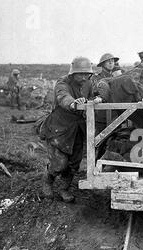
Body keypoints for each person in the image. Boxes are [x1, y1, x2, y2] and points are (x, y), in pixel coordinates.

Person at [40, 57, 102, 202]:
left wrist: (98, 98)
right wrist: (73, 104)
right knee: (59, 164)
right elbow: (63, 97)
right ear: (73, 73)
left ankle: (64, 189)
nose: (83, 77)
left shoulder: (88, 83)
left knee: (74, 163)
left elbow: (94, 94)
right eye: (80, 74)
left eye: (86, 74)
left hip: (78, 128)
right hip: (59, 129)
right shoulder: (63, 83)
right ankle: (47, 182)